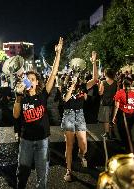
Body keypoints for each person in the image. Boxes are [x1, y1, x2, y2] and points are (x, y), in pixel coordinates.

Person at [13, 37, 63, 189]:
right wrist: (18, 96)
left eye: (32, 79)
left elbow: (53, 74)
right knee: (22, 172)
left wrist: (58, 54)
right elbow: (15, 115)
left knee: (42, 174)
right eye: (27, 79)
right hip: (26, 140)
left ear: (36, 82)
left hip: (42, 140)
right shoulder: (21, 96)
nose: (29, 80)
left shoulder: (42, 95)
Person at [61, 51, 98, 182]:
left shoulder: (83, 86)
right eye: (73, 74)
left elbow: (95, 80)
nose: (75, 76)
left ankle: (81, 154)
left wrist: (94, 63)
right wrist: (72, 85)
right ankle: (68, 170)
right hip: (69, 114)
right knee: (69, 145)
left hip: (80, 114)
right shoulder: (64, 85)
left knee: (83, 144)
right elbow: (65, 99)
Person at [112, 78, 134, 152]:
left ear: (123, 84)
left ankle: (127, 146)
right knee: (128, 129)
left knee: (122, 131)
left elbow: (116, 106)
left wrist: (114, 116)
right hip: (133, 115)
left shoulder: (119, 92)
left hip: (123, 115)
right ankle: (128, 145)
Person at [98, 68, 118, 139]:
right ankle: (112, 132)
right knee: (112, 117)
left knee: (106, 118)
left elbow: (100, 93)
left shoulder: (103, 82)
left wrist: (98, 86)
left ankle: (107, 133)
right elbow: (117, 93)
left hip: (105, 102)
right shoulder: (116, 82)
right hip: (113, 102)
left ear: (105, 74)